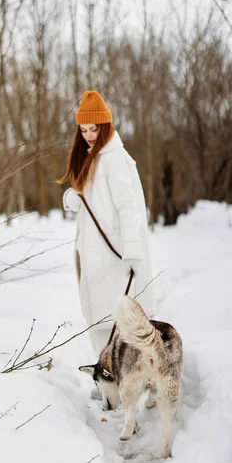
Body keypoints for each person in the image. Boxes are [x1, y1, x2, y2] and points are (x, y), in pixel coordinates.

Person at [59, 90, 154, 358]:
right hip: (92, 254)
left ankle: (124, 379)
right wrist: (76, 199)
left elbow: (128, 207)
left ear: (105, 126)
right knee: (97, 320)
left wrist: (133, 251)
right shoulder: (92, 155)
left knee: (119, 323)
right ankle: (107, 380)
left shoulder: (114, 158)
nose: (89, 135)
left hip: (113, 254)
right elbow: (95, 199)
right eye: (84, 129)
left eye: (93, 129)